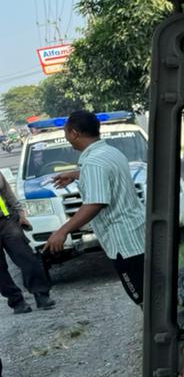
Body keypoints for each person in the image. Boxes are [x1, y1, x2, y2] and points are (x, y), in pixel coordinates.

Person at [47, 110, 147, 305]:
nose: (66, 137)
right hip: (137, 235)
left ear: (74, 133)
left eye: (66, 132)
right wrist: (76, 174)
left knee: (142, 296)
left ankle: (164, 334)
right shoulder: (109, 152)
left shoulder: (93, 163)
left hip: (123, 243)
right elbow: (104, 174)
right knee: (152, 291)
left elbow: (95, 204)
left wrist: (63, 231)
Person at [0, 169, 55, 313]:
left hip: (7, 222)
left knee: (27, 257)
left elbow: (7, 192)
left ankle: (41, 295)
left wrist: (20, 213)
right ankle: (16, 302)